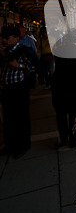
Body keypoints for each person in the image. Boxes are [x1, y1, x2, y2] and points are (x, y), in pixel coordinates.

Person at [0, 25, 35, 158]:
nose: (4, 40)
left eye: (6, 38)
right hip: (7, 90)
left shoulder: (22, 51)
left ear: (15, 38)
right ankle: (10, 144)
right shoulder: (6, 52)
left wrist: (19, 65)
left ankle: (23, 145)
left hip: (19, 90)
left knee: (21, 118)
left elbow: (31, 68)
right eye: (2, 38)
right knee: (8, 119)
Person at [51, 29, 76, 148]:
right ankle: (74, 139)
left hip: (60, 90)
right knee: (75, 116)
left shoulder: (58, 51)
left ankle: (63, 139)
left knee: (61, 116)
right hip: (75, 90)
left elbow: (54, 71)